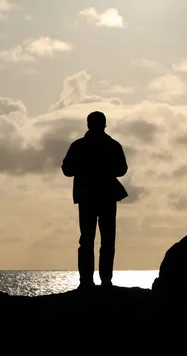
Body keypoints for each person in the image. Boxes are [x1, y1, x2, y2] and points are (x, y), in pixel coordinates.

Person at [62, 111, 128, 289]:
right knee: (106, 240)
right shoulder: (112, 145)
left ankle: (87, 282)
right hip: (105, 196)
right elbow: (122, 169)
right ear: (104, 124)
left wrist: (85, 167)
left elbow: (67, 169)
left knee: (87, 239)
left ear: (88, 124)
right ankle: (104, 280)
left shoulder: (79, 146)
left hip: (87, 196)